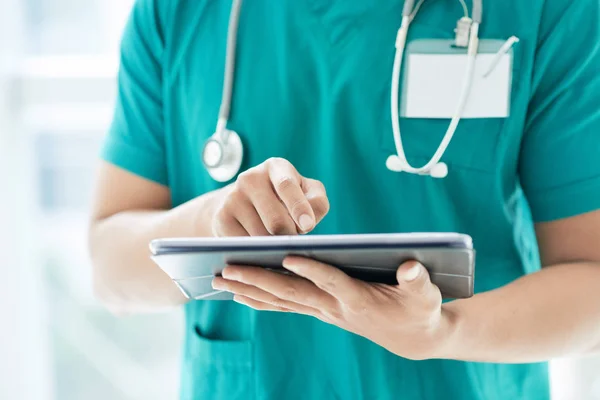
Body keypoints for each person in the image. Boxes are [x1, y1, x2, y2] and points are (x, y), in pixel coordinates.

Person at [89, 0, 600, 399]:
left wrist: (445, 332)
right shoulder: (176, 12)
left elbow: (590, 280)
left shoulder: (550, 11)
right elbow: (111, 272)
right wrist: (211, 221)